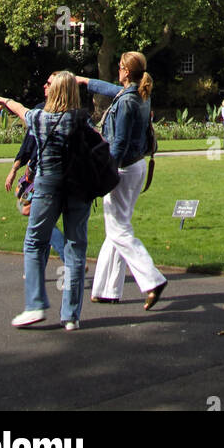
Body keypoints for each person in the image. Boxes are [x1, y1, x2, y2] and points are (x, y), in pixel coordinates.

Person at [0, 72, 92, 330]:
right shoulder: (83, 121)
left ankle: (35, 305)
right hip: (78, 188)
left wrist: (5, 100)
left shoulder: (40, 119)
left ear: (54, 92)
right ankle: (71, 315)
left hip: (48, 185)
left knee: (35, 242)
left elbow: (20, 109)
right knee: (75, 248)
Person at [77, 53, 167, 310]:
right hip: (134, 167)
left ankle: (152, 280)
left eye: (119, 67)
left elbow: (120, 143)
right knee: (116, 228)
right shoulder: (138, 95)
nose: (117, 71)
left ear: (127, 71)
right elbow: (111, 89)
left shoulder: (128, 102)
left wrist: (105, 174)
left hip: (123, 169)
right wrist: (84, 81)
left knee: (119, 230)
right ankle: (106, 289)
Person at [4, 77, 66, 259]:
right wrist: (14, 169)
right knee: (40, 218)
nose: (44, 86)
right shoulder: (63, 112)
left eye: (48, 84)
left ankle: (61, 256)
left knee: (31, 213)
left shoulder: (43, 113)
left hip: (44, 175)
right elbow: (28, 144)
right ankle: (41, 263)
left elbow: (29, 143)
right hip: (48, 175)